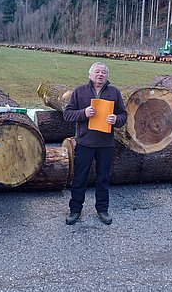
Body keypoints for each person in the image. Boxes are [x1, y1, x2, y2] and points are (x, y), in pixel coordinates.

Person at [63, 62, 127, 225]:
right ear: (90, 75)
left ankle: (102, 210)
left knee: (103, 179)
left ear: (107, 76)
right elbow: (68, 115)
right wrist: (83, 113)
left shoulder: (114, 93)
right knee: (79, 178)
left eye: (104, 72)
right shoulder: (79, 92)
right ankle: (75, 210)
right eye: (97, 72)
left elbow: (123, 116)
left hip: (106, 144)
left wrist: (116, 119)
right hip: (84, 143)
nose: (100, 75)